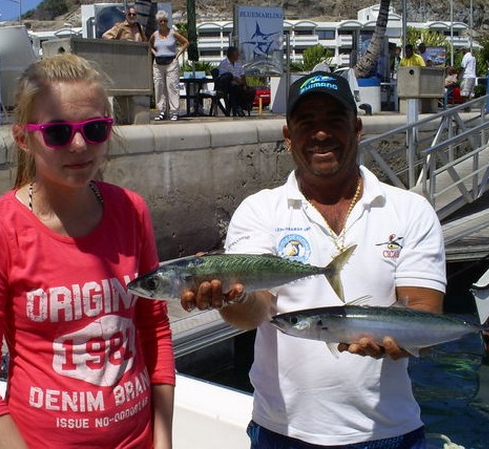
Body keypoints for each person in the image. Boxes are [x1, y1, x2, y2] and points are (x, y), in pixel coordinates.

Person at [181, 71, 446, 448]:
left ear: (357, 128)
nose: (320, 134)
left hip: (389, 433)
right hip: (283, 434)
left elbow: (424, 310)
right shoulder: (260, 210)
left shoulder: (409, 210)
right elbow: (256, 312)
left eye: (334, 121)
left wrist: (400, 341)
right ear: (289, 137)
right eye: (306, 123)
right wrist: (232, 296)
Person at [0, 54, 175, 449]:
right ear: (24, 138)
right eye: (57, 132)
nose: (79, 144)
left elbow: (154, 331)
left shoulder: (131, 211)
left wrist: (163, 441)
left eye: (95, 128)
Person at [149, 10, 188, 121]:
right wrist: (155, 53)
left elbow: (185, 42)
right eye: (161, 21)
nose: (163, 23)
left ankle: (174, 111)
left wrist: (178, 55)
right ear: (158, 22)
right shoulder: (155, 35)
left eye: (165, 21)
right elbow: (149, 44)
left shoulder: (173, 33)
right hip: (158, 63)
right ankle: (161, 111)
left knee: (172, 86)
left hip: (171, 62)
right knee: (159, 86)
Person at [216, 46, 256, 117]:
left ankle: (243, 106)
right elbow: (225, 77)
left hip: (239, 84)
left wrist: (244, 84)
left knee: (252, 90)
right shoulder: (224, 64)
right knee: (236, 89)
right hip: (228, 85)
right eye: (236, 54)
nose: (238, 56)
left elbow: (242, 75)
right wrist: (235, 79)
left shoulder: (238, 64)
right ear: (231, 55)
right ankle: (238, 107)